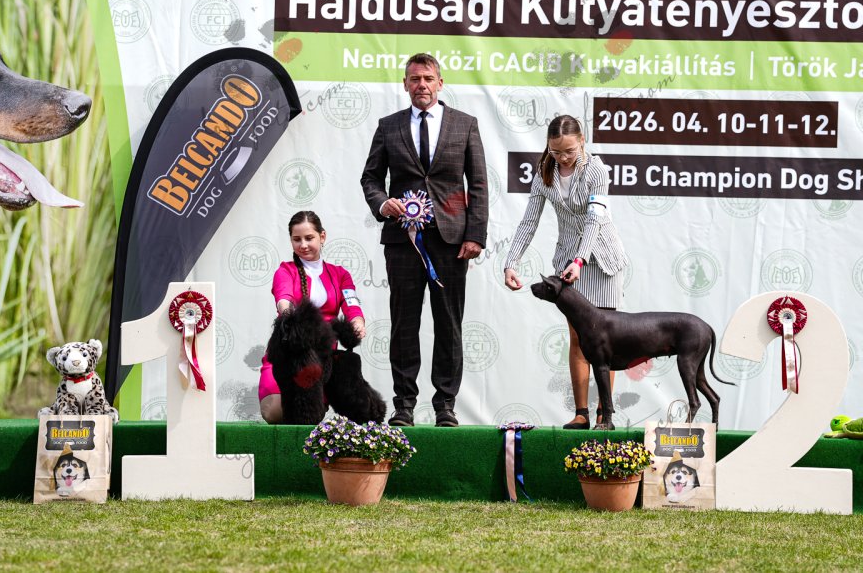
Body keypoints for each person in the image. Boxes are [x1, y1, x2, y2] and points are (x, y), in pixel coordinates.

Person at [360, 53, 488, 428]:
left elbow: (478, 183)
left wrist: (475, 235)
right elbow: (370, 178)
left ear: (440, 83)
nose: (422, 85)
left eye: (428, 78)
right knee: (404, 324)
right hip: (403, 242)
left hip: (452, 242)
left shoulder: (465, 125)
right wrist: (382, 203)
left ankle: (445, 404)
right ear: (405, 84)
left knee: (449, 324)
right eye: (415, 79)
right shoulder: (388, 127)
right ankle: (404, 405)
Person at [503, 114, 629, 430]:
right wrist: (511, 262)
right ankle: (582, 413)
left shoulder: (596, 170)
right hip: (568, 263)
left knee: (605, 341)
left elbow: (595, 219)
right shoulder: (544, 173)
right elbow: (529, 221)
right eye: (556, 151)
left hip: (601, 261)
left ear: (582, 141)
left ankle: (604, 415)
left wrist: (580, 260)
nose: (563, 157)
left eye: (569, 150)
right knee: (577, 337)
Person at [259, 210, 366, 424]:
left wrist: (357, 322)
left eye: (309, 238)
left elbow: (352, 305)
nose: (303, 245)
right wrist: (287, 313)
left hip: (322, 361)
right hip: (288, 356)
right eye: (296, 239)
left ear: (322, 236)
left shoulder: (341, 275)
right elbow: (284, 298)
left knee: (310, 414)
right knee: (274, 412)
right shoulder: (285, 271)